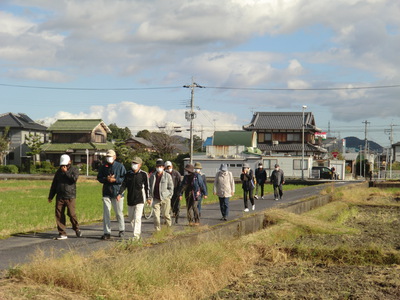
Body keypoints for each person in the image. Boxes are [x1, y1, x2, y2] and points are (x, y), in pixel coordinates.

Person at [48, 154, 82, 240]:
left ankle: (76, 228)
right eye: (62, 165)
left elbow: (74, 179)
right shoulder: (58, 172)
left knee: (71, 214)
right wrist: (51, 196)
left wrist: (66, 172)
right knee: (59, 214)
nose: (64, 166)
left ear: (69, 162)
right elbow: (54, 184)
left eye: (65, 164)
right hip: (60, 196)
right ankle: (62, 233)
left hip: (70, 196)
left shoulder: (74, 170)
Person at [97, 149, 126, 240]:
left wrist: (116, 180)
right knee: (106, 213)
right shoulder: (103, 167)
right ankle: (107, 232)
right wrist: (106, 179)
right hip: (106, 192)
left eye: (110, 156)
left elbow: (125, 179)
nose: (109, 158)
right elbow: (99, 177)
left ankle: (121, 229)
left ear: (114, 157)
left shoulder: (120, 166)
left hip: (117, 192)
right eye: (107, 156)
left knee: (119, 212)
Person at [117, 157, 149, 240]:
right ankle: (136, 231)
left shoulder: (143, 174)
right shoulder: (128, 174)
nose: (134, 165)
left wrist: (149, 197)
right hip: (130, 199)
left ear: (140, 165)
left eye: (136, 163)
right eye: (133, 163)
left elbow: (147, 187)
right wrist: (119, 193)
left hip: (140, 199)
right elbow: (124, 185)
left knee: (137, 218)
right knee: (131, 218)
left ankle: (136, 235)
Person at [148, 159, 174, 231]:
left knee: (166, 215)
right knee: (156, 216)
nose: (159, 167)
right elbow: (150, 187)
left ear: (163, 167)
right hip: (156, 199)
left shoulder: (167, 176)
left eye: (160, 166)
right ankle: (157, 230)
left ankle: (169, 228)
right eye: (157, 166)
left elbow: (171, 187)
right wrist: (149, 198)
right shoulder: (152, 176)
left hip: (165, 198)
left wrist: (169, 196)